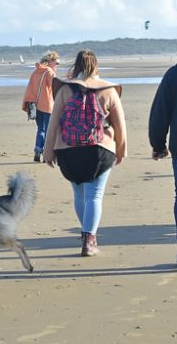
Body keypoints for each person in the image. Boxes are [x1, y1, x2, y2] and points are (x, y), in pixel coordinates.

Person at [42, 49, 127, 256]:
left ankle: (86, 234)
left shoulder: (65, 91)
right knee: (94, 195)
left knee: (79, 194)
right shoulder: (108, 90)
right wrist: (121, 150)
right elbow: (120, 125)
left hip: (68, 151)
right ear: (96, 65)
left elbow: (53, 124)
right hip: (100, 150)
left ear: (76, 66)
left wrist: (48, 152)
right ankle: (89, 240)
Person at [148, 59, 177, 267]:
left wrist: (158, 144)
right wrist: (158, 144)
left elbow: (160, 113)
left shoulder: (174, 75)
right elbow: (160, 112)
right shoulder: (173, 75)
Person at [22, 51, 61, 162]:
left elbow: (30, 88)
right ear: (49, 61)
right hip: (48, 105)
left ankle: (38, 151)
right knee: (49, 131)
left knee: (41, 129)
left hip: (35, 106)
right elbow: (55, 88)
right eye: (56, 63)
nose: (58, 65)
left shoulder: (36, 72)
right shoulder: (49, 72)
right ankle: (47, 155)